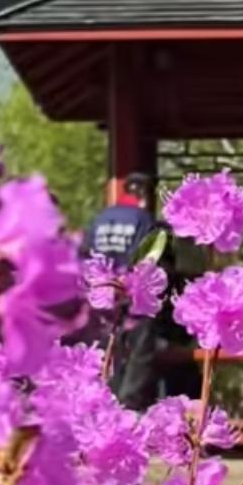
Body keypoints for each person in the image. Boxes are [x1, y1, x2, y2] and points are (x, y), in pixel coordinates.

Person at [80, 172, 169, 409]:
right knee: (140, 348)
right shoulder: (145, 219)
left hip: (102, 295)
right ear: (144, 194)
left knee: (106, 347)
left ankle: (106, 397)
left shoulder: (100, 220)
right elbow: (153, 257)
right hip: (134, 294)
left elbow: (84, 254)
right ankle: (130, 402)